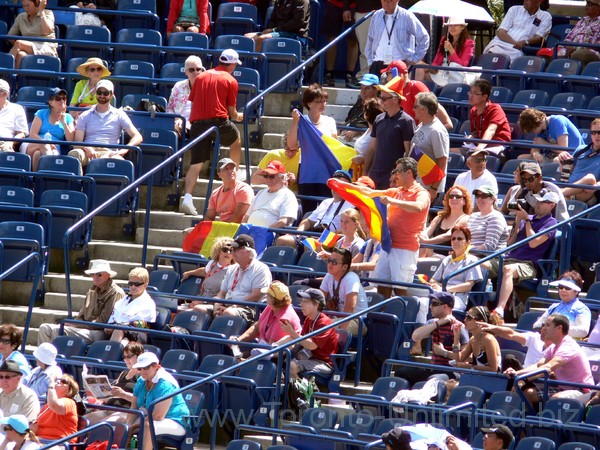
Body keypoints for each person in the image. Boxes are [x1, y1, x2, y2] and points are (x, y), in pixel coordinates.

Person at [355, 157, 430, 297]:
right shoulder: (397, 191)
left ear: (408, 173)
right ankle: (382, 317)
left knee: (401, 289)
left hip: (405, 249)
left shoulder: (421, 193)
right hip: (388, 246)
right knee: (382, 285)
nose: (395, 175)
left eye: (398, 171)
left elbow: (419, 207)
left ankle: (404, 317)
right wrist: (342, 185)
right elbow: (370, 193)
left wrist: (392, 201)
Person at [181, 49, 244, 216]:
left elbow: (193, 104)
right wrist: (239, 116)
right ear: (231, 65)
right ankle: (235, 177)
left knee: (196, 163)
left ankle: (187, 198)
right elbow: (232, 113)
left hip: (197, 124)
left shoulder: (200, 77)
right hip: (217, 122)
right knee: (236, 139)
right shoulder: (231, 80)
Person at [489, 191, 558, 319]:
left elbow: (533, 243)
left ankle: (499, 309)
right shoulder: (528, 218)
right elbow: (510, 243)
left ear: (551, 205)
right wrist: (518, 221)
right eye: (537, 201)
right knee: (481, 264)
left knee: (508, 270)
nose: (538, 204)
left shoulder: (551, 223)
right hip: (509, 258)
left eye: (542, 202)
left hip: (528, 264)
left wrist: (526, 220)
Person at [504, 314, 594, 399]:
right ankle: (530, 415)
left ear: (559, 328)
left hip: (581, 389)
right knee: (529, 393)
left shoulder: (568, 346)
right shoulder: (553, 347)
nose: (543, 328)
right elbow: (538, 365)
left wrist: (524, 379)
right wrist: (517, 373)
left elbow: (547, 368)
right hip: (561, 387)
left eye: (547, 325)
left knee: (557, 398)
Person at [38, 259, 126, 345]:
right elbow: (81, 315)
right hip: (84, 328)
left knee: (58, 331)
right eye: (92, 274)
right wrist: (74, 323)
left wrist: (78, 325)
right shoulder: (91, 291)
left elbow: (103, 322)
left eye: (99, 274)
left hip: (100, 332)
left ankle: (55, 357)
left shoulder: (115, 292)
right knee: (44, 328)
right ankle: (43, 358)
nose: (95, 277)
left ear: (108, 275)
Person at [195, 234, 272, 323]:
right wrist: (217, 306)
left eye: (236, 249)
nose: (232, 252)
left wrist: (231, 306)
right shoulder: (232, 268)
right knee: (199, 309)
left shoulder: (261, 269)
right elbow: (222, 293)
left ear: (248, 252)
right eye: (232, 249)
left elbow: (256, 296)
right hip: (227, 305)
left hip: (249, 308)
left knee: (228, 313)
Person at [68, 79, 143, 169]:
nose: (102, 95)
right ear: (96, 93)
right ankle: (78, 182)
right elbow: (77, 142)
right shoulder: (85, 115)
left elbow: (138, 136)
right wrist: (86, 148)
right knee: (73, 154)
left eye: (105, 93)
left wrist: (124, 149)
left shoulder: (119, 114)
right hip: (88, 151)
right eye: (99, 92)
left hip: (109, 153)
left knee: (120, 162)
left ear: (111, 95)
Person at [275, 169, 353, 248]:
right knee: (282, 240)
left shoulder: (351, 206)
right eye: (335, 182)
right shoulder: (326, 202)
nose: (337, 186)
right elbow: (308, 221)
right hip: (313, 236)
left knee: (310, 246)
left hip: (332, 239)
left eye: (342, 183)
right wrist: (298, 232)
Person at [129, 353, 190, 450]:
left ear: (156, 367)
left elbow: (157, 416)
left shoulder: (166, 383)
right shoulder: (141, 380)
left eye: (146, 367)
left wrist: (132, 427)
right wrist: (127, 425)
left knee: (148, 426)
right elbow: (133, 407)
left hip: (176, 420)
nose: (142, 371)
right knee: (119, 420)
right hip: (148, 418)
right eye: (140, 368)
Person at [361, 80, 415, 189]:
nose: (381, 101)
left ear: (395, 100)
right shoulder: (379, 119)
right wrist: (365, 171)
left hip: (394, 177)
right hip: (375, 174)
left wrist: (401, 176)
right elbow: (372, 148)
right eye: (380, 97)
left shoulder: (406, 121)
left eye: (384, 98)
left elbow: (408, 152)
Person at [276, 289, 338, 379]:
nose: (301, 304)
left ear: (316, 304)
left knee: (291, 367)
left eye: (305, 302)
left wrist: (292, 332)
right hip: (309, 358)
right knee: (282, 361)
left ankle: (301, 392)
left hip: (323, 363)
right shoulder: (309, 319)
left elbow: (312, 346)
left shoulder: (324, 322)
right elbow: (301, 342)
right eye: (301, 301)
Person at [379, 60, 453, 130]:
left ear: (396, 74)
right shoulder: (393, 92)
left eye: (388, 74)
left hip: (419, 136)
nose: (386, 78)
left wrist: (426, 135)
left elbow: (444, 120)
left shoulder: (416, 87)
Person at [85, 341, 144, 425]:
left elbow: (141, 401)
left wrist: (123, 394)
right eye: (124, 357)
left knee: (101, 426)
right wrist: (97, 393)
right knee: (83, 422)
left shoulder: (143, 376)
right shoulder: (123, 373)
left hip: (124, 411)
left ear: (139, 356)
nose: (126, 360)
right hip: (108, 408)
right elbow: (110, 396)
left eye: (129, 356)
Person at [364, 0, 429, 75]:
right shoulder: (376, 15)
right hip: (377, 63)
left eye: (389, 1)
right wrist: (370, 62)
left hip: (399, 64)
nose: (386, 3)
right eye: (383, 0)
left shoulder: (406, 15)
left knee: (395, 87)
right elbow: (370, 40)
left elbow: (424, 37)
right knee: (374, 87)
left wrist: (414, 59)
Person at [233, 281, 302, 350]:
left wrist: (245, 360)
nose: (266, 296)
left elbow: (270, 351)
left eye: (268, 294)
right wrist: (239, 340)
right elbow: (257, 327)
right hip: (261, 350)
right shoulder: (271, 306)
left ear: (273, 300)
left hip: (273, 357)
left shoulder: (285, 319)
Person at [408, 292, 469, 369]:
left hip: (450, 371)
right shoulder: (433, 323)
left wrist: (444, 353)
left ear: (444, 306)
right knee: (403, 372)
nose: (430, 307)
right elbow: (415, 337)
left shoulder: (458, 326)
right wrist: (438, 323)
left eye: (434, 304)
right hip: (434, 368)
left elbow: (466, 357)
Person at [428, 226, 483, 312]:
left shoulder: (471, 260)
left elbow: (468, 285)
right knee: (422, 300)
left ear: (468, 242)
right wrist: (436, 285)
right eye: (453, 239)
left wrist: (445, 288)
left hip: (458, 298)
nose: (455, 241)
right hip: (441, 293)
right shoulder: (447, 259)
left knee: (435, 304)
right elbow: (433, 280)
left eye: (459, 239)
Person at [433, 306, 502, 373]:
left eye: (469, 318)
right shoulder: (473, 339)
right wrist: (456, 337)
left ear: (480, 322)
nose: (465, 320)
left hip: (492, 381)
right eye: (466, 316)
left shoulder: (488, 339)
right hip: (477, 378)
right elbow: (459, 358)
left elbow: (493, 369)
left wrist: (469, 366)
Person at [22, 87, 75, 171]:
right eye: (58, 98)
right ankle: (49, 171)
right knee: (44, 145)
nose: (62, 101)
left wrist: (64, 122)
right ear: (50, 102)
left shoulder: (68, 117)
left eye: (64, 98)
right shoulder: (41, 113)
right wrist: (45, 143)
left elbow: (71, 140)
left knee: (38, 154)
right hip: (34, 143)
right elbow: (33, 134)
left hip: (54, 148)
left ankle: (36, 180)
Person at [409, 92, 449, 199]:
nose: (413, 110)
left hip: (428, 186)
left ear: (424, 109)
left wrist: (434, 189)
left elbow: (442, 160)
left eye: (415, 106)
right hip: (418, 183)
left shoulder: (437, 131)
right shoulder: (422, 124)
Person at [482, 0, 552, 62]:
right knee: (492, 51)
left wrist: (525, 42)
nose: (525, 1)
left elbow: (538, 37)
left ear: (539, 1)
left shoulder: (545, 16)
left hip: (518, 49)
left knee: (516, 55)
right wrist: (515, 43)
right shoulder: (514, 9)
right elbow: (501, 32)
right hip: (500, 43)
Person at [320, 247, 369, 336]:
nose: (330, 264)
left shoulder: (351, 278)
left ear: (345, 267)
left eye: (334, 262)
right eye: (329, 260)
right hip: (339, 318)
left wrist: (342, 331)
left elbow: (351, 307)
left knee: (322, 326)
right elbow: (319, 298)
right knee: (314, 323)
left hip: (357, 321)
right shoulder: (329, 276)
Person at [532, 271, 591, 339]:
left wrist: (557, 329)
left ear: (576, 291)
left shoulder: (581, 308)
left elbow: (583, 331)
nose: (563, 290)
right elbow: (536, 325)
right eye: (561, 287)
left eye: (568, 288)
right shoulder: (554, 307)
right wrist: (547, 327)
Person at [106, 267, 157, 345]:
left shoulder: (149, 303)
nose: (133, 287)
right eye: (130, 284)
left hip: (138, 334)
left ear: (145, 285)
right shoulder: (122, 301)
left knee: (119, 331)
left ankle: (111, 353)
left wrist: (128, 324)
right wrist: (109, 326)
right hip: (119, 331)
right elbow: (112, 318)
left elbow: (146, 325)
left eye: (137, 284)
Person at [420, 186, 472, 258]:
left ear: (464, 201)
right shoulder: (440, 217)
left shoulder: (465, 218)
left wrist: (427, 242)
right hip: (432, 254)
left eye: (458, 196)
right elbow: (427, 231)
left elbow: (447, 236)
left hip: (447, 257)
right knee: (422, 235)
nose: (454, 198)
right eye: (451, 196)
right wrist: (421, 237)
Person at [419, 16, 475, 84]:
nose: (452, 28)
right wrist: (432, 68)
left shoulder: (469, 43)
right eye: (450, 26)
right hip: (440, 72)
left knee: (420, 71)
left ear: (462, 27)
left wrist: (451, 50)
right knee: (419, 66)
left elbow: (462, 66)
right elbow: (436, 61)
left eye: (456, 25)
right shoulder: (444, 39)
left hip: (453, 76)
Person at [243, 160, 298, 227]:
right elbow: (246, 217)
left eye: (272, 176)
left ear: (282, 177)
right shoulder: (260, 193)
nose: (268, 179)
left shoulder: (288, 196)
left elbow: (283, 222)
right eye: (265, 176)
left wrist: (264, 231)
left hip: (270, 234)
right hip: (250, 231)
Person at [518, 109, 585, 163]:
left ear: (535, 124)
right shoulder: (540, 129)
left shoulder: (558, 121)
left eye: (531, 129)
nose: (532, 132)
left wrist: (543, 143)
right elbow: (535, 145)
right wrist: (536, 153)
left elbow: (563, 148)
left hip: (571, 155)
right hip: (551, 155)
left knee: (556, 161)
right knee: (521, 158)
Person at [560, 117, 600, 205]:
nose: (596, 135)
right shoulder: (581, 149)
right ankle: (561, 194)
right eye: (593, 133)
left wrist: (597, 185)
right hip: (569, 189)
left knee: (590, 178)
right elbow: (567, 172)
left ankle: (558, 194)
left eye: (599, 132)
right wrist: (563, 162)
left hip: (586, 192)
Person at [465, 79, 511, 156]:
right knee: (451, 152)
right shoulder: (473, 110)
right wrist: (471, 137)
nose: (470, 96)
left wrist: (480, 148)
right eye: (470, 92)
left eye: (475, 93)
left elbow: (491, 130)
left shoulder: (495, 109)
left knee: (476, 157)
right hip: (478, 145)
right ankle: (438, 169)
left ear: (484, 96)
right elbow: (475, 132)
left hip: (496, 146)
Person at [8, 0, 58, 69]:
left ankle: (4, 70)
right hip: (28, 47)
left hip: (46, 46)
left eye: (28, 5)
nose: (25, 8)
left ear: (37, 3)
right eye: (24, 6)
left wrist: (41, 11)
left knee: (19, 43)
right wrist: (25, 47)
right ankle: (16, 78)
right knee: (21, 55)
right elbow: (10, 36)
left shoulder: (48, 13)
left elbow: (46, 31)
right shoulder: (20, 17)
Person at [245, 0, 310, 52]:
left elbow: (297, 22)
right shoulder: (279, 1)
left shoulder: (302, 1)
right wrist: (271, 30)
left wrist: (274, 30)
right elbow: (273, 19)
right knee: (247, 37)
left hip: (295, 34)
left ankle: (256, 63)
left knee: (262, 39)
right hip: (278, 31)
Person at [287, 84, 338, 149]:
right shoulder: (300, 121)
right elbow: (291, 145)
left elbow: (335, 145)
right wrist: (295, 122)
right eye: (318, 102)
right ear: (309, 104)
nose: (323, 104)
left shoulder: (330, 121)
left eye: (324, 101)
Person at [321, 0, 359, 88]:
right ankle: (329, 74)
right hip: (333, 3)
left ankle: (350, 75)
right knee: (332, 39)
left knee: (353, 39)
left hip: (353, 5)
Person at [203, 158, 254, 223]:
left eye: (232, 168)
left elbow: (237, 218)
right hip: (222, 228)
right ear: (219, 174)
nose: (230, 171)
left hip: (238, 229)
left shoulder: (243, 189)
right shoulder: (215, 193)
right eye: (226, 169)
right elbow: (209, 217)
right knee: (187, 232)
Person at [166, 55, 205, 137]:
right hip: (178, 122)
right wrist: (176, 119)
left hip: (198, 125)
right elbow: (170, 108)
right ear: (186, 72)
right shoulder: (178, 86)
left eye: (198, 69)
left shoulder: (208, 88)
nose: (195, 72)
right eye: (191, 70)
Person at [339, 74, 381, 147]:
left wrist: (357, 132)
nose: (363, 91)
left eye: (367, 88)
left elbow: (376, 127)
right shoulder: (360, 101)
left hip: (363, 138)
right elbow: (349, 119)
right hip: (347, 133)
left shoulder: (378, 106)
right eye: (362, 88)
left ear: (375, 89)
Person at [34, 374, 79, 442]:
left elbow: (54, 404)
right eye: (58, 380)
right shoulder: (47, 406)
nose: (59, 382)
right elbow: (36, 427)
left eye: (64, 381)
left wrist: (51, 385)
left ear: (69, 390)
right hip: (40, 441)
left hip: (59, 444)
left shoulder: (69, 402)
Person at [466, 185, 509, 252]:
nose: (479, 199)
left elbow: (489, 246)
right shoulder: (473, 216)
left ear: (492, 199)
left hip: (490, 259)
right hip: (470, 256)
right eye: (477, 196)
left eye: (483, 196)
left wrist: (465, 253)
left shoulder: (496, 217)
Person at [557, 0, 600, 65]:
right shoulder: (583, 20)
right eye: (586, 3)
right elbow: (568, 38)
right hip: (572, 49)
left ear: (598, 8)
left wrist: (578, 48)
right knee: (548, 54)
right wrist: (568, 46)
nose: (586, 6)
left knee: (578, 54)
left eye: (589, 3)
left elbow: (597, 45)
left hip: (591, 52)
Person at [0, 79, 28, 152]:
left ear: (5, 94)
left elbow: (21, 133)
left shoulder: (17, 109)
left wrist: (10, 142)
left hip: (4, 143)